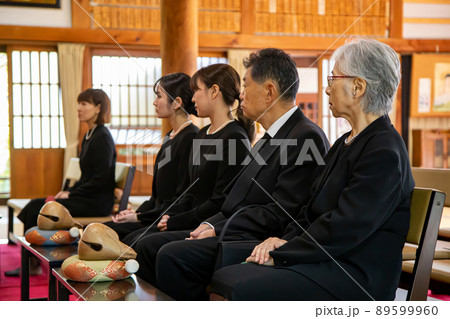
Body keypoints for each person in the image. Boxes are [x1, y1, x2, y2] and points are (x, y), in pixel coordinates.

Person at [209, 38, 415, 301]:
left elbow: (346, 226)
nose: (327, 89)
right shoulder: (346, 141)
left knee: (234, 282)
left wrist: (285, 250)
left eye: (333, 79)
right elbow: (311, 211)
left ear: (358, 87)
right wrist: (279, 240)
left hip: (356, 273)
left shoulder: (383, 149)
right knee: (230, 271)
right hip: (327, 258)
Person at [143, 48, 330, 299]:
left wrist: (220, 229)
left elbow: (282, 211)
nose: (241, 94)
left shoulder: (305, 136)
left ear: (269, 91)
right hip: (236, 230)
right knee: (151, 244)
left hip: (259, 240)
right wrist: (210, 224)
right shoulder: (269, 136)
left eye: (246, 85)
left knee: (171, 254)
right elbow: (237, 197)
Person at [121, 63, 253, 252]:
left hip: (208, 226)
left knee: (142, 244)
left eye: (197, 90)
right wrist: (169, 215)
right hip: (189, 219)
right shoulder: (202, 134)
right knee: (134, 238)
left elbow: (220, 202)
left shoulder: (234, 138)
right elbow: (190, 191)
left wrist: (176, 220)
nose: (192, 98)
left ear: (214, 91)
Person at [6, 88, 116, 277]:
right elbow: (86, 178)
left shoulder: (102, 137)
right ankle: (33, 262)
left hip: (95, 202)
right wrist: (69, 191)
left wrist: (71, 194)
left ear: (98, 108)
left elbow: (100, 180)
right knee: (36, 205)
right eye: (79, 103)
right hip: (85, 196)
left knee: (36, 207)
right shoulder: (89, 135)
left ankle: (33, 265)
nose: (79, 108)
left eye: (84, 104)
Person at [104, 73, 199, 240]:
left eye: (159, 96)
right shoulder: (171, 136)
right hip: (155, 215)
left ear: (176, 102)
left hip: (168, 219)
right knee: (102, 230)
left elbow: (183, 196)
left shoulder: (190, 137)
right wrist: (136, 212)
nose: (155, 102)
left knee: (111, 236)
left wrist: (140, 218)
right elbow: (157, 197)